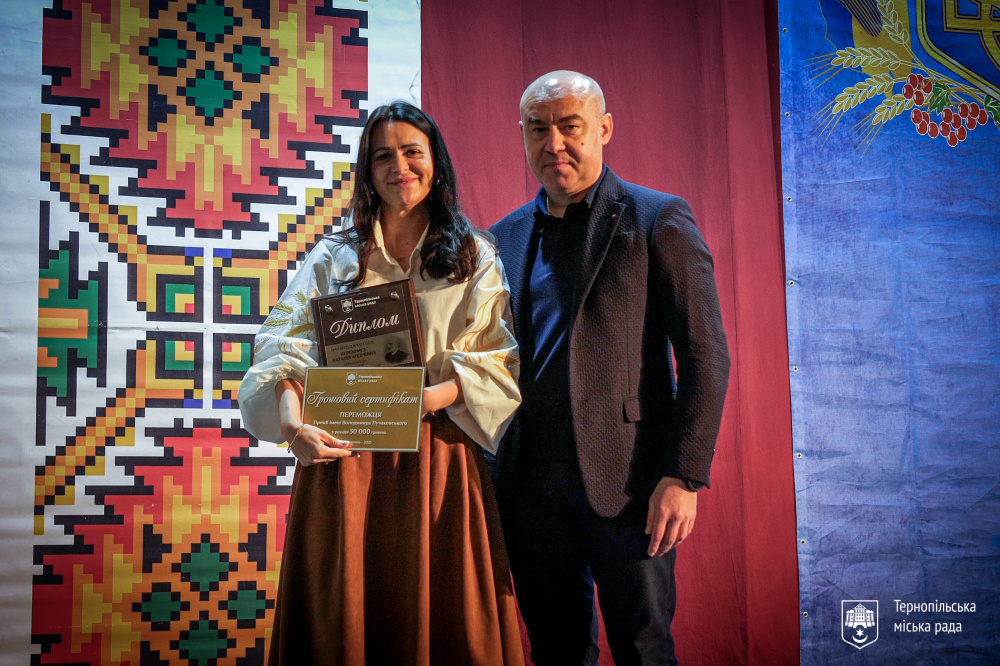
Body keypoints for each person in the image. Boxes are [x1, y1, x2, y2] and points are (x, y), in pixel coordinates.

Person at [239, 101, 525, 665]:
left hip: (437, 462)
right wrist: (293, 427)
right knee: (342, 622)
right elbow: (283, 349)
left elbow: (494, 359)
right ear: (367, 171)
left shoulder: (475, 255)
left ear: (436, 163)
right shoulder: (334, 256)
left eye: (413, 152)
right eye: (383, 156)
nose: (400, 167)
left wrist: (420, 400)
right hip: (343, 460)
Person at [490, 71, 731, 665]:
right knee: (556, 653)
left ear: (603, 129)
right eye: (538, 129)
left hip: (632, 485)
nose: (554, 144)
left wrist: (684, 476)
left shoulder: (657, 219)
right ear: (522, 135)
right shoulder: (502, 238)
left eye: (569, 127)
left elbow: (705, 356)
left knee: (644, 650)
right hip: (530, 489)